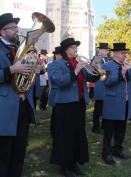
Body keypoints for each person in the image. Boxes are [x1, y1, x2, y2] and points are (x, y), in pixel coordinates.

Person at [0, 13, 38, 177]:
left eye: (16, 27)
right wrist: (12, 69)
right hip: (5, 107)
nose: (16, 30)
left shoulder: (22, 50)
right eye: (12, 28)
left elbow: (27, 79)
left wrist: (33, 71)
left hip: (23, 106)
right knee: (4, 152)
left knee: (20, 150)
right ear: (2, 32)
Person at [49, 37, 99, 177]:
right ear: (66, 50)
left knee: (78, 134)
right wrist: (75, 71)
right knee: (65, 136)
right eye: (73, 47)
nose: (76, 50)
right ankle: (65, 166)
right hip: (65, 105)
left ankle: (74, 162)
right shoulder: (56, 64)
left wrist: (96, 68)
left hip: (79, 104)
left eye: (76, 47)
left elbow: (92, 78)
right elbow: (59, 82)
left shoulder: (78, 63)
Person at [101, 42, 131, 165]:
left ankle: (118, 149)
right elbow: (107, 82)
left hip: (124, 101)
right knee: (109, 130)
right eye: (123, 53)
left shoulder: (125, 65)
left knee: (121, 128)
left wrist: (129, 72)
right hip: (112, 102)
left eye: (125, 53)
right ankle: (106, 153)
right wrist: (122, 73)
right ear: (115, 53)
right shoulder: (107, 66)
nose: (125, 55)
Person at [92, 42, 110, 134]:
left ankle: (104, 125)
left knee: (106, 107)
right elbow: (92, 70)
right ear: (99, 50)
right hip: (99, 84)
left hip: (107, 85)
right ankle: (95, 126)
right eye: (103, 50)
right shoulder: (96, 59)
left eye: (106, 50)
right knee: (98, 108)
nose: (105, 52)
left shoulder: (107, 59)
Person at [47, 46, 62, 138]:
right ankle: (54, 132)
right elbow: (54, 79)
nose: (59, 56)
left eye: (60, 54)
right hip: (56, 92)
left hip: (62, 93)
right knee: (55, 114)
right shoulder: (51, 65)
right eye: (57, 54)